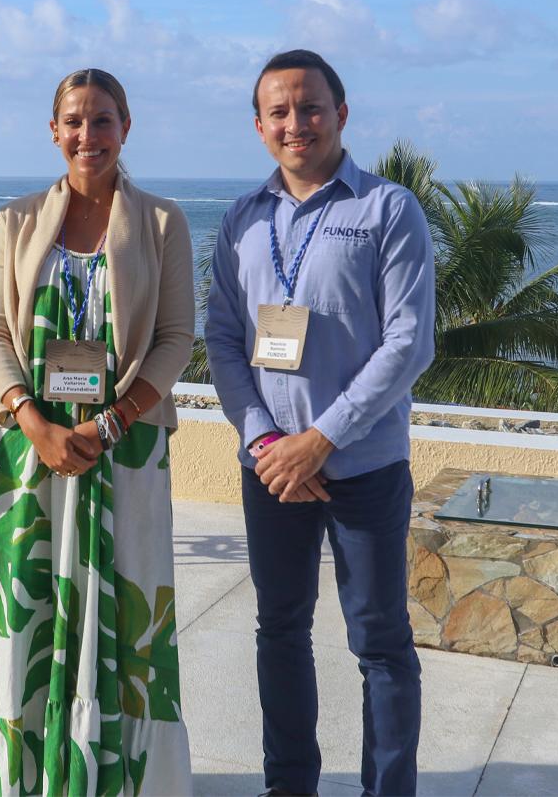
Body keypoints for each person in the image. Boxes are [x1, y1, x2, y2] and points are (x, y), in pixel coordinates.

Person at [205, 49, 435, 797]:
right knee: (280, 630)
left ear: (341, 113)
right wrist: (267, 442)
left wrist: (320, 439)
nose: (296, 122)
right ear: (259, 126)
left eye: (310, 107)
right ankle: (289, 784)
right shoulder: (242, 219)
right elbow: (223, 339)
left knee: (380, 641)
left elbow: (409, 342)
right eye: (279, 111)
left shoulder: (387, 209)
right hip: (272, 470)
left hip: (362, 466)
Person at [0, 69, 195, 796]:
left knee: (126, 607)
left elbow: (176, 338)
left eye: (102, 121)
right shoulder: (17, 221)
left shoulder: (162, 223)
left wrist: (111, 421)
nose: (87, 135)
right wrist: (34, 423)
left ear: (126, 127)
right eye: (74, 121)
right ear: (53, 130)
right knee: (26, 614)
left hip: (127, 449)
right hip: (29, 453)